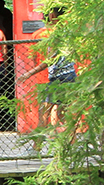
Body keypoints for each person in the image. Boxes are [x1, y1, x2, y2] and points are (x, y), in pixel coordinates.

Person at [19, 8, 75, 150]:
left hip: (59, 78)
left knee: (44, 112)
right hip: (70, 75)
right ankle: (71, 145)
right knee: (65, 113)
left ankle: (36, 147)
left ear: (51, 15)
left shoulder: (56, 35)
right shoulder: (69, 32)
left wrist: (29, 73)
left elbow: (50, 60)